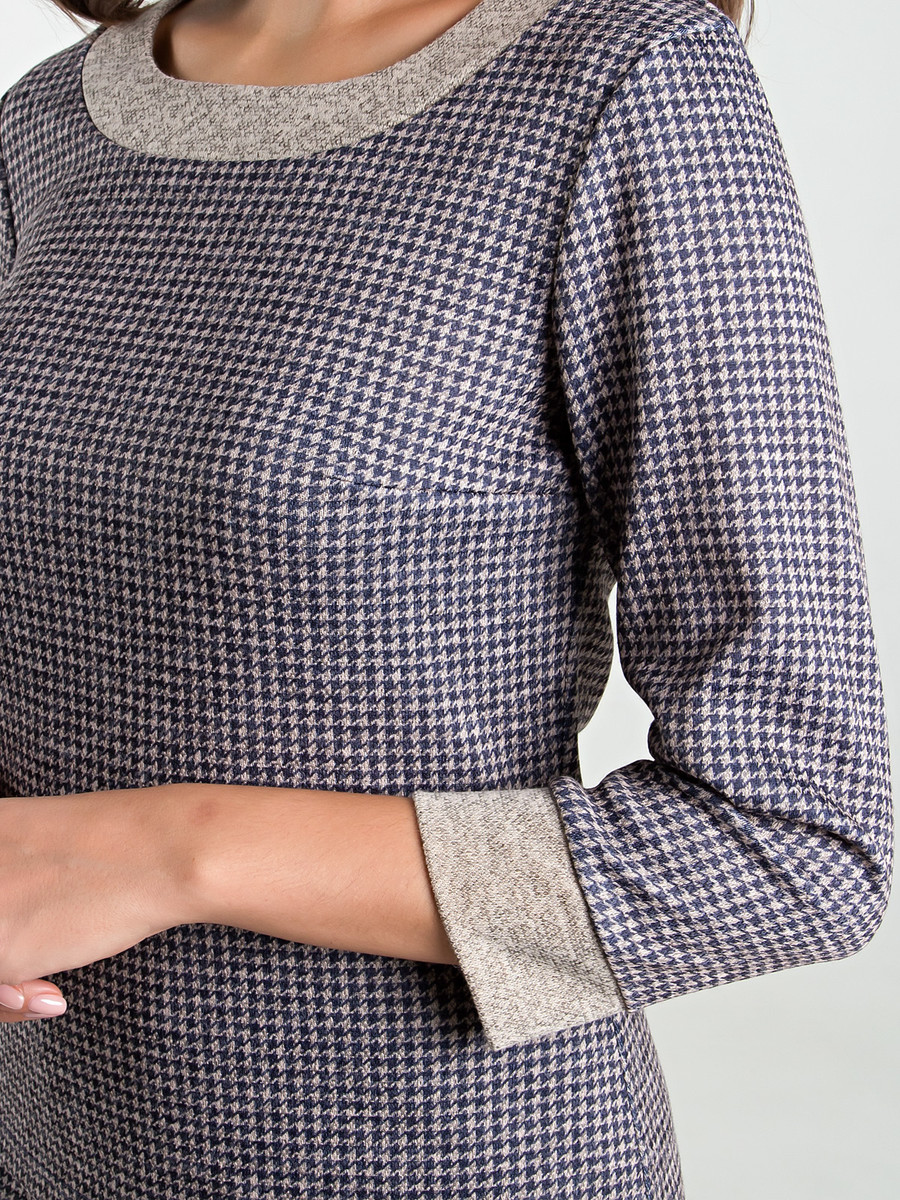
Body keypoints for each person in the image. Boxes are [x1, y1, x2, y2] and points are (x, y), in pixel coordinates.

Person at [0, 0, 892, 1195]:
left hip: (444, 1152)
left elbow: (797, 838)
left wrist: (171, 851)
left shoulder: (623, 82)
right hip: (55, 1143)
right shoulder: (51, 123)